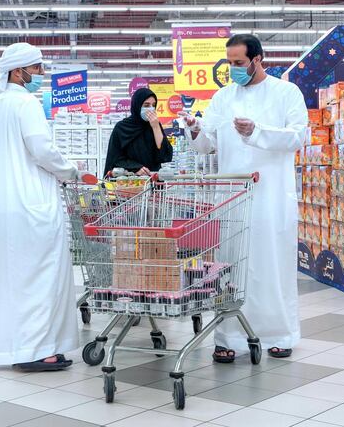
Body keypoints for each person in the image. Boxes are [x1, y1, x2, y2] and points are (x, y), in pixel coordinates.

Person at [180, 34, 308, 360]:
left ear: (257, 59)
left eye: (239, 63)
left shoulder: (286, 93)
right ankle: (228, 338)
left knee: (272, 265)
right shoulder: (223, 97)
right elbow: (208, 143)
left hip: (271, 196)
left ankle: (280, 334)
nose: (233, 69)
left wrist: (257, 133)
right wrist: (195, 128)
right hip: (232, 198)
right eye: (230, 63)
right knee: (231, 267)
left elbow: (297, 136)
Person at [0, 42, 87, 372]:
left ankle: (16, 347)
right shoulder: (26, 103)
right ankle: (39, 350)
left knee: (11, 283)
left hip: (2, 208)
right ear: (18, 71)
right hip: (30, 206)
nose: (41, 74)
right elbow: (42, 150)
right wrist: (72, 171)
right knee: (40, 277)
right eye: (37, 68)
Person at [103, 88, 173, 177]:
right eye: (146, 105)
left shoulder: (154, 125)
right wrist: (135, 167)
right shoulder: (121, 128)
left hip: (152, 181)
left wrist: (155, 127)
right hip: (128, 183)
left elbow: (165, 155)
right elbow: (115, 159)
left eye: (153, 105)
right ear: (137, 105)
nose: (150, 109)